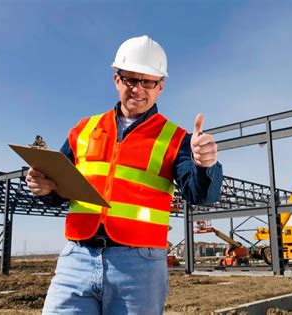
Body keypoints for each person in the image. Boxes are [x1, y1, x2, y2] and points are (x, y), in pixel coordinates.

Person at [26, 35, 223, 314]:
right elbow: (58, 188)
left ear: (160, 87)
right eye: (131, 79)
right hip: (77, 258)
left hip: (139, 266)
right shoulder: (83, 129)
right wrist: (43, 187)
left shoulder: (176, 139)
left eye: (148, 82)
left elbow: (200, 195)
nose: (138, 89)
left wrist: (205, 166)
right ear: (117, 80)